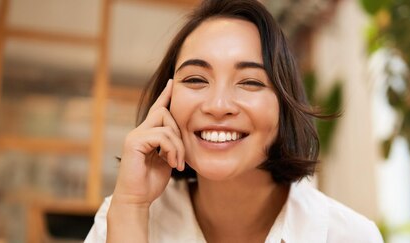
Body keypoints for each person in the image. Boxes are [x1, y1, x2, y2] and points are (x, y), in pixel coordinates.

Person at [85, 0, 383, 242]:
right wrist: (132, 207)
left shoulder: (348, 235)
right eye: (196, 79)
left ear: (284, 105)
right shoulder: (121, 217)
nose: (218, 105)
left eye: (250, 82)